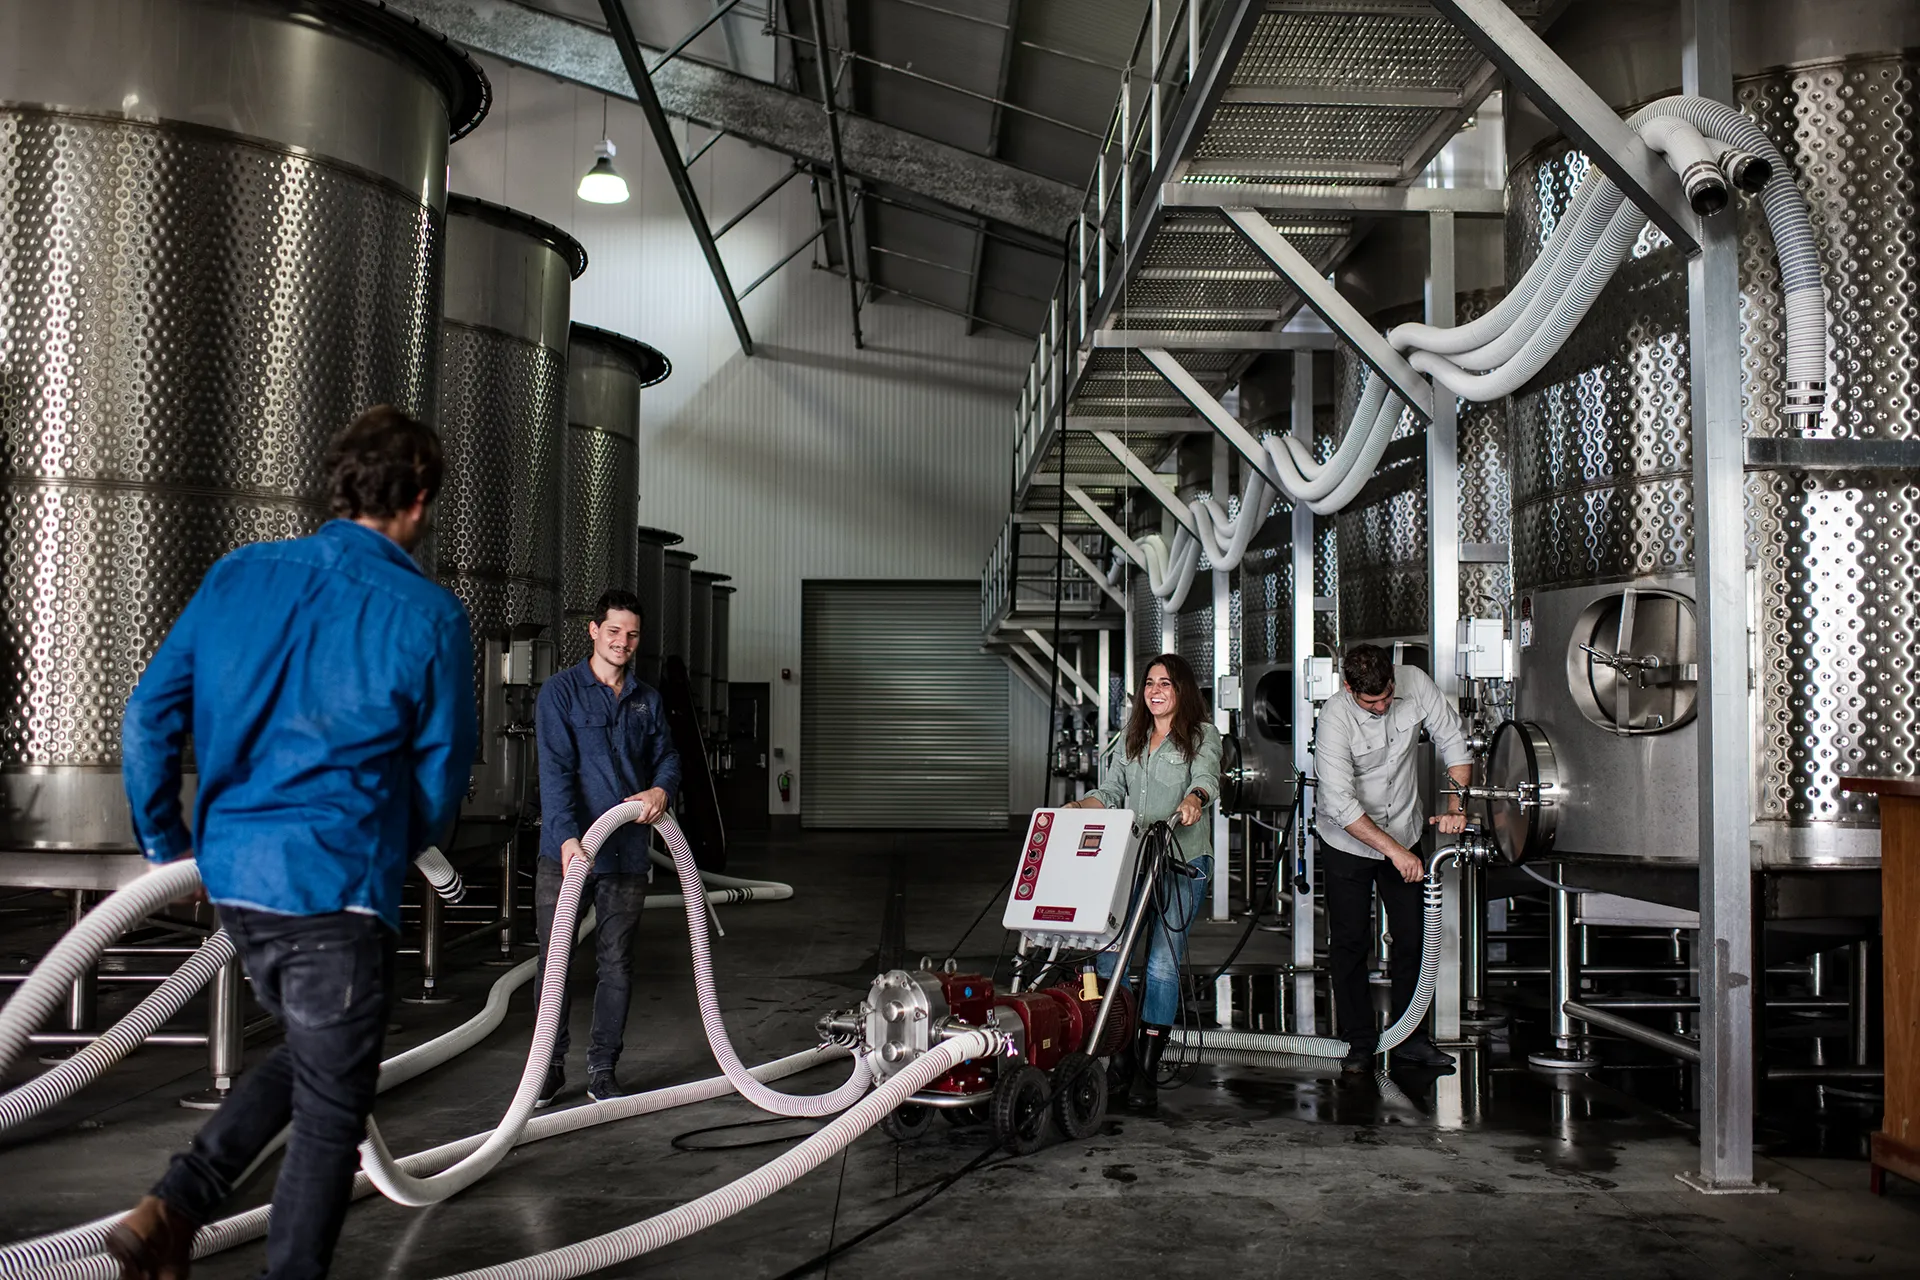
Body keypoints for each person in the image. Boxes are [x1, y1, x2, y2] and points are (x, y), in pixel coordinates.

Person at [108, 407, 476, 1280]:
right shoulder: (428, 615)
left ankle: (172, 1210)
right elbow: (441, 777)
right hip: (336, 887)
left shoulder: (239, 575)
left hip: (237, 878)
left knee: (320, 1058)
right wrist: (393, 849)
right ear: (420, 501)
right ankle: (213, 1229)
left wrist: (170, 844)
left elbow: (148, 716)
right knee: (329, 1114)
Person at [532, 588, 681, 1107]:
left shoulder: (648, 699)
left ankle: (602, 1068)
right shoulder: (560, 693)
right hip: (567, 853)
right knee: (555, 964)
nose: (623, 642)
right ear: (594, 631)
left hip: (627, 855)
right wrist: (570, 837)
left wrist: (663, 788)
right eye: (614, 631)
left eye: (632, 634)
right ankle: (546, 1070)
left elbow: (668, 758)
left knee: (616, 962)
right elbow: (554, 773)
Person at [1065, 653, 1221, 1114]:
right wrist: (1078, 809)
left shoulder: (1200, 735)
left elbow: (1207, 777)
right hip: (1133, 863)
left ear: (1182, 691)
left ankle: (1149, 1069)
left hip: (1182, 863)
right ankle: (1121, 1057)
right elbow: (1111, 792)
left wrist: (1194, 800)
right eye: (1150, 683)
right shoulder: (1130, 739)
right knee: (1111, 957)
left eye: (1165, 684)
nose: (1155, 691)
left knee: (1160, 966)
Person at [1314, 643, 1471, 1074]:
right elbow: (1342, 805)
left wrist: (1456, 807)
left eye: (1386, 696)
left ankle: (1410, 1040)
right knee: (1349, 941)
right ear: (1348, 688)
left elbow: (1454, 746)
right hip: (1348, 841)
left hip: (1403, 826)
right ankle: (1358, 1042)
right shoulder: (1334, 718)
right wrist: (1396, 853)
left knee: (1415, 937)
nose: (1382, 706)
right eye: (1371, 702)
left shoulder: (1415, 683)